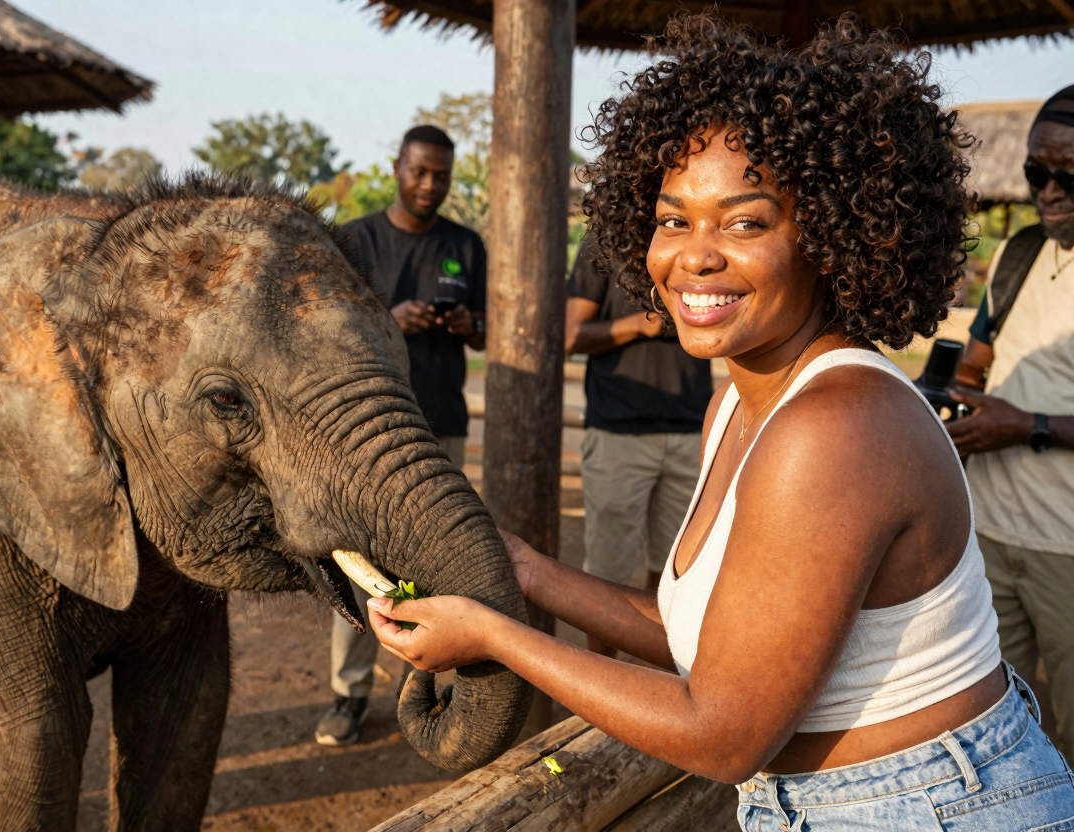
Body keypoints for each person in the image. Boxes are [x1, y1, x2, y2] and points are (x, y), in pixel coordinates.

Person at [365, 15, 1074, 830]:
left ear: (833, 236)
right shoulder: (738, 403)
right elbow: (710, 638)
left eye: (744, 222)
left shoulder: (837, 426)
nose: (694, 255)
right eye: (674, 219)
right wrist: (524, 570)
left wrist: (494, 636)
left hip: (925, 808)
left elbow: (724, 733)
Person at [314, 125, 486, 747]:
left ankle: (428, 689)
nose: (430, 184)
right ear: (396, 169)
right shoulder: (355, 239)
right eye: (419, 171)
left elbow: (486, 332)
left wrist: (466, 324)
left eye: (441, 175)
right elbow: (326, 330)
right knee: (359, 564)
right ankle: (349, 692)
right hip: (366, 433)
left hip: (442, 423)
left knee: (438, 560)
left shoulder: (465, 244)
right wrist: (391, 321)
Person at [947, 86, 1074, 759]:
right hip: (989, 535)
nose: (1047, 191)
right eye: (1035, 172)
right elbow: (976, 365)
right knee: (999, 729)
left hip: (1067, 547)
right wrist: (953, 403)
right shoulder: (1019, 253)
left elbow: (1020, 416)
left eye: (1067, 174)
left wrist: (1026, 424)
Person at [565, 232, 711, 656]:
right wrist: (638, 325)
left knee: (676, 575)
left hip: (690, 430)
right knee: (608, 573)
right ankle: (600, 679)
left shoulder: (698, 241)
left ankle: (655, 678)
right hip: (619, 434)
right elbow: (571, 336)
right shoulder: (603, 244)